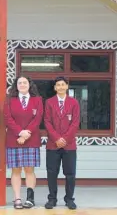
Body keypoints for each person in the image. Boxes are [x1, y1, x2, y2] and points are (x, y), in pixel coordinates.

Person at [4, 76, 43, 209]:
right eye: (19, 83)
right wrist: (20, 133)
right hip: (14, 139)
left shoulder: (37, 100)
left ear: (29, 85)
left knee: (29, 169)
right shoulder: (9, 100)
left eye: (24, 82)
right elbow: (8, 118)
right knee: (16, 170)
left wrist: (26, 134)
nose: (22, 85)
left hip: (31, 139)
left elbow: (37, 119)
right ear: (16, 85)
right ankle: (17, 198)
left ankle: (30, 198)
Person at [43, 77, 80, 210]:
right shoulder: (49, 102)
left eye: (63, 85)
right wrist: (57, 138)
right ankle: (52, 199)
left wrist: (64, 139)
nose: (60, 87)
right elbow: (47, 121)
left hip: (69, 145)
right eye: (58, 85)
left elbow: (75, 123)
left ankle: (69, 199)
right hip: (53, 144)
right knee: (52, 172)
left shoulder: (74, 102)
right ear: (55, 88)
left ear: (67, 86)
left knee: (70, 173)